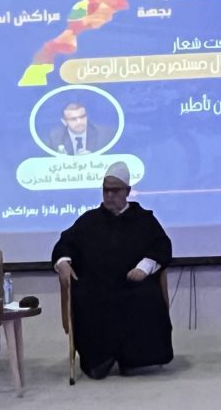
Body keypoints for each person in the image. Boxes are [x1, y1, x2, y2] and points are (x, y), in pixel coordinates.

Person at [52, 161, 173, 379]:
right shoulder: (89, 221)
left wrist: (144, 267)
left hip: (133, 284)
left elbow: (162, 246)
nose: (109, 195)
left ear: (127, 191)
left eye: (115, 190)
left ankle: (135, 359)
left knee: (143, 297)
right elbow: (64, 244)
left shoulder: (144, 220)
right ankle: (100, 359)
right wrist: (63, 263)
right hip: (96, 287)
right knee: (88, 299)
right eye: (105, 190)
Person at [46, 101, 111, 156]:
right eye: (73, 119)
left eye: (82, 117)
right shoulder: (55, 138)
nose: (79, 122)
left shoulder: (104, 135)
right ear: (64, 121)